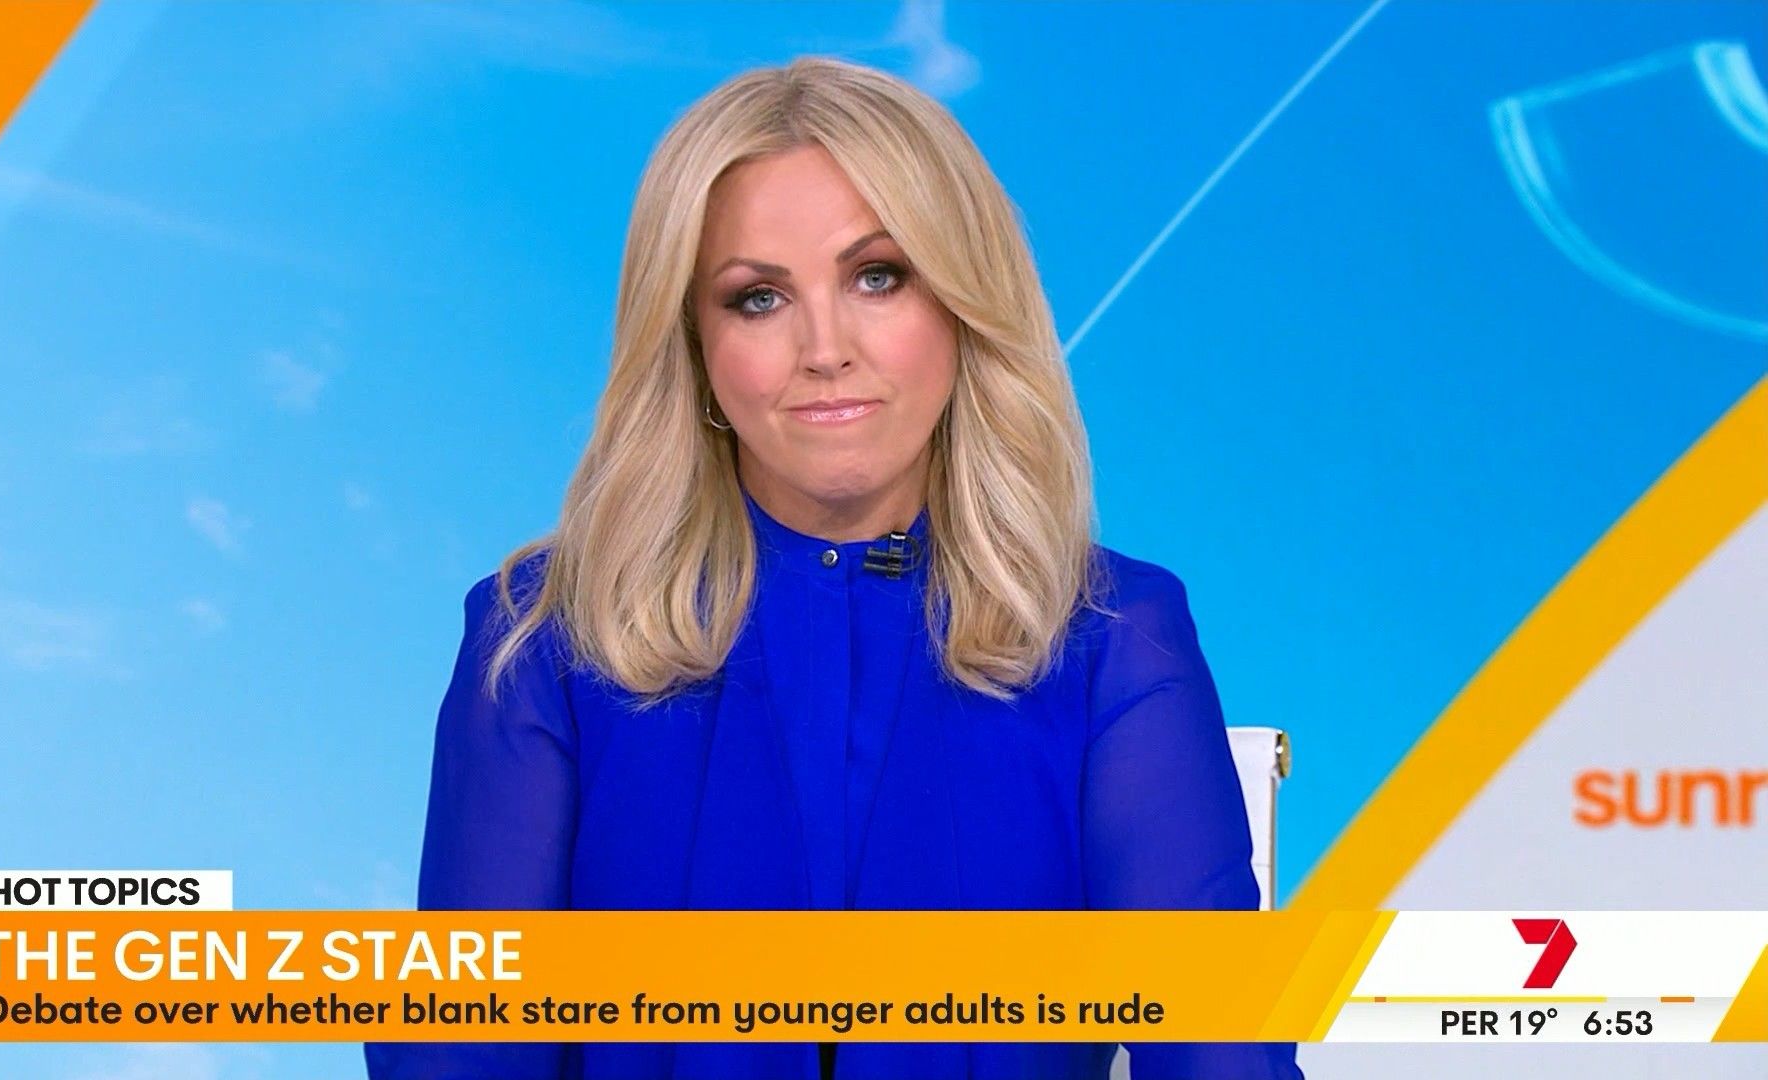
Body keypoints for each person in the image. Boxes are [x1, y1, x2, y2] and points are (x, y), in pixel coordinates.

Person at [366, 55, 1301, 1080]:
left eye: (877, 277)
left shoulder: (1116, 637)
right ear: (693, 345)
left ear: (963, 305)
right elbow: (457, 1057)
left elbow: (1222, 1057)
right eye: (758, 297)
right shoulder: (542, 641)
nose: (825, 348)